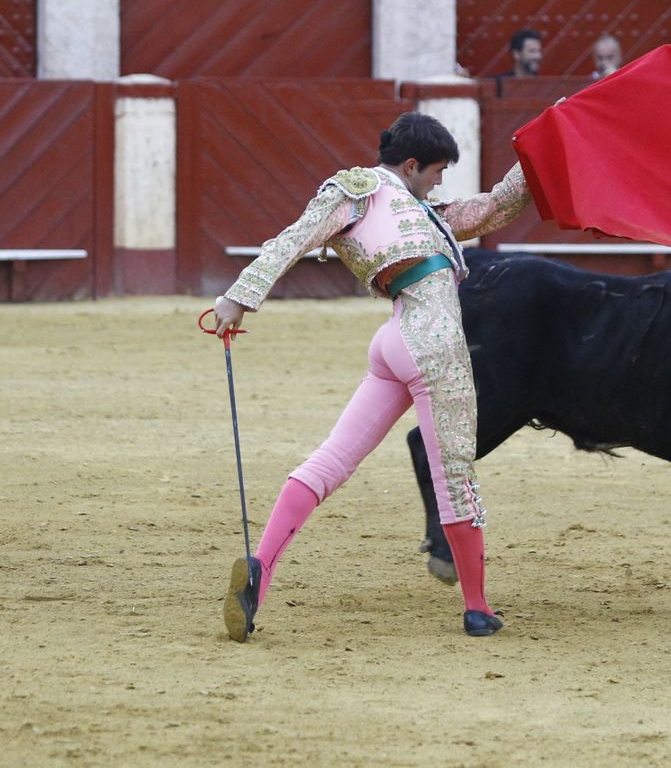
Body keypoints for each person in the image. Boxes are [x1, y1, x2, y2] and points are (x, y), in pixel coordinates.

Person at [210, 112, 534, 642]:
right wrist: (239, 296)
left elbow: (496, 206)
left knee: (329, 462)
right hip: (432, 343)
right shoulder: (360, 191)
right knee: (455, 475)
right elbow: (295, 238)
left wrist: (541, 143)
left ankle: (259, 574)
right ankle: (477, 608)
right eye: (437, 171)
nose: (439, 182)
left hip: (394, 343)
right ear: (410, 165)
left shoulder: (413, 208)